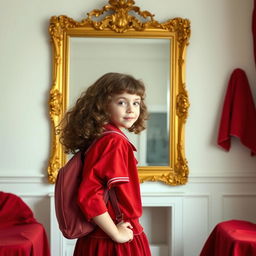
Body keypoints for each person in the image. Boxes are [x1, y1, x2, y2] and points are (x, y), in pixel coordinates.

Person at [59, 72, 151, 256]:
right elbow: (89, 195)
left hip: (98, 234)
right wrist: (116, 233)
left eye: (136, 102)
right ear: (102, 106)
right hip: (112, 238)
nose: (131, 109)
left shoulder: (100, 138)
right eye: (121, 102)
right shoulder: (114, 142)